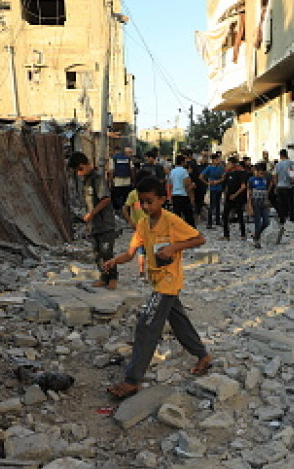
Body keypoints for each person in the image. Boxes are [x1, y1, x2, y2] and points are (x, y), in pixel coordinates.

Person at [103, 177, 212, 399]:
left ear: (163, 199)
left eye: (150, 202)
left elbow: (199, 239)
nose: (145, 207)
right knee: (179, 321)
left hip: (169, 281)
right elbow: (131, 253)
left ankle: (131, 380)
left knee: (146, 324)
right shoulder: (143, 223)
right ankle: (202, 355)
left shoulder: (171, 221)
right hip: (156, 279)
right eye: (142, 202)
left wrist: (174, 247)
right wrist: (114, 261)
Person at [69, 151, 119, 289]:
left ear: (87, 164)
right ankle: (103, 277)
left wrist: (92, 213)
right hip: (94, 225)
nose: (79, 173)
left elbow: (106, 199)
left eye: (80, 169)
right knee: (97, 253)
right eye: (77, 171)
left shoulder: (97, 179)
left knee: (107, 252)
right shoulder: (85, 182)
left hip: (105, 223)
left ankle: (113, 278)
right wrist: (88, 221)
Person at [222, 159, 250, 240]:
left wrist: (235, 195)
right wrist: (225, 196)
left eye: (229, 163)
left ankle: (243, 234)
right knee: (225, 215)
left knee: (240, 215)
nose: (228, 165)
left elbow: (243, 186)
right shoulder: (227, 174)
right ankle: (226, 234)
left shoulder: (240, 173)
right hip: (229, 197)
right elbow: (226, 186)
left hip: (238, 198)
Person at [167, 154, 196, 227]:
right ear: (182, 162)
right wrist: (192, 195)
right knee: (188, 215)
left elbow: (170, 184)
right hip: (183, 195)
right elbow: (187, 184)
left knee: (177, 215)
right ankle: (191, 230)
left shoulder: (172, 171)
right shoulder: (184, 171)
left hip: (175, 195)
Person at [248, 162, 272, 248]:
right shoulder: (252, 180)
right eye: (260, 172)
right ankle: (257, 240)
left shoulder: (265, 180)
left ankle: (256, 234)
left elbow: (267, 191)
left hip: (264, 203)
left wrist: (267, 201)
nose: (261, 174)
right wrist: (249, 205)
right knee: (257, 222)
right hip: (255, 203)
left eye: (263, 173)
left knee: (266, 221)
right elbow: (249, 193)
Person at [108, 146, 136, 215]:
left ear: (114, 151)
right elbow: (132, 170)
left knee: (116, 198)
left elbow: (112, 171)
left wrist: (110, 182)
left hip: (117, 183)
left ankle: (119, 212)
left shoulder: (113, 159)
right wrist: (133, 181)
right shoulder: (128, 159)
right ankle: (126, 213)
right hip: (127, 182)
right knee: (126, 199)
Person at [200, 155, 226, 229]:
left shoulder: (220, 167)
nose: (218, 161)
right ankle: (210, 222)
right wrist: (207, 183)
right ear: (213, 160)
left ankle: (217, 221)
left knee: (217, 204)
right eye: (217, 159)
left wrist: (214, 182)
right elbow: (201, 176)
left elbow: (224, 177)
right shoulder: (210, 168)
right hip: (214, 188)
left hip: (217, 187)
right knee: (213, 205)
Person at [272, 148, 294, 226]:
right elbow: (293, 174)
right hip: (289, 186)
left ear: (281, 156)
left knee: (281, 204)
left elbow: (275, 175)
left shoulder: (278, 164)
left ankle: (282, 218)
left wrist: (276, 185)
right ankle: (291, 217)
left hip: (280, 186)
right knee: (290, 203)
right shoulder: (291, 163)